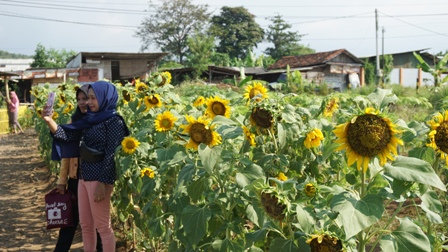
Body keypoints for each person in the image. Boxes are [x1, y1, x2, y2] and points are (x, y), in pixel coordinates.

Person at [42, 80, 129, 252]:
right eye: (87, 98)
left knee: (103, 227)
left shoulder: (114, 122)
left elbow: (111, 155)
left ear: (105, 97)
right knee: (86, 226)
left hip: (99, 179)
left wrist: (103, 184)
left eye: (92, 98)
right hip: (83, 178)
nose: (88, 102)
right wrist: (48, 119)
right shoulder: (90, 120)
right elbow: (66, 135)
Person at [54, 85, 103, 252]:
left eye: (86, 99)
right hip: (76, 179)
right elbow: (66, 156)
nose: (83, 103)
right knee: (70, 222)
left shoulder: (100, 121)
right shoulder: (74, 122)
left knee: (97, 223)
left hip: (95, 179)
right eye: (80, 100)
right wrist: (62, 180)